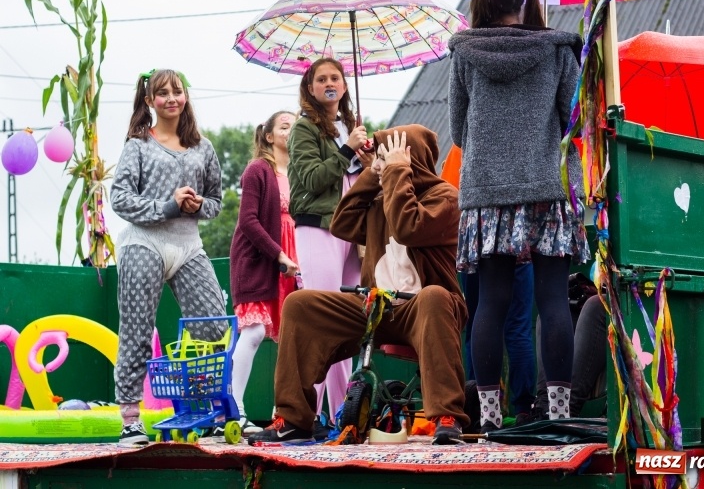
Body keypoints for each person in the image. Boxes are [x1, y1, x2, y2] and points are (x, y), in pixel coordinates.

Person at [247, 126, 470, 446]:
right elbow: (342, 223)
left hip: (421, 310)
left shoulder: (447, 198)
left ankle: (446, 417)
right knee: (299, 303)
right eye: (381, 155)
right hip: (376, 306)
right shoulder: (383, 198)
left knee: (435, 295)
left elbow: (409, 227)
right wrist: (371, 175)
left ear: (413, 158)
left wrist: (396, 173)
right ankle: (293, 418)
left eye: (390, 153)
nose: (383, 160)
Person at [448, 0, 590, 432]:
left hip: (487, 193)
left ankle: (490, 420)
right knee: (551, 300)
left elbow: (456, 131)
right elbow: (576, 119)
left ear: (481, 4)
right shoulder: (555, 49)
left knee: (491, 302)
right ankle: (559, 414)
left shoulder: (465, 55)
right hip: (548, 188)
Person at [110, 69, 228, 445]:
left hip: (188, 245)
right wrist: (167, 206)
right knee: (137, 330)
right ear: (150, 102)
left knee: (212, 327)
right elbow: (120, 199)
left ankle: (205, 407)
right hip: (144, 242)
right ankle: (130, 417)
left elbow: (216, 203)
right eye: (162, 93)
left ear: (186, 96)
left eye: (177, 91)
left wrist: (195, 205)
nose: (171, 98)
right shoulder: (138, 145)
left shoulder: (203, 147)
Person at [287, 58, 373, 428]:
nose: (329, 83)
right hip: (318, 227)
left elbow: (359, 177)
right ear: (310, 88)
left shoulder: (351, 126)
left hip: (350, 230)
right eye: (321, 79)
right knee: (322, 319)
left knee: (348, 321)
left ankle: (343, 413)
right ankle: (307, 412)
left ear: (344, 84)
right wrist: (345, 151)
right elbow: (310, 179)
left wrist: (368, 158)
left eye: (335, 77)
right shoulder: (304, 129)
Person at [442, 146, 536, 423]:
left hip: (478, 239)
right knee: (518, 329)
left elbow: (450, 196)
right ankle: (524, 410)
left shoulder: (463, 145)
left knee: (478, 324)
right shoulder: (527, 132)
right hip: (519, 239)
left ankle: (481, 408)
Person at [224, 111, 300, 438]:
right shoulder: (258, 170)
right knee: (253, 332)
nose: (291, 130)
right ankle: (234, 410)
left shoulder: (300, 172)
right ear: (269, 136)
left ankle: (283, 412)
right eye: (285, 126)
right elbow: (249, 222)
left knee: (293, 338)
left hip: (295, 260)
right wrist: (279, 255)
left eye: (296, 126)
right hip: (259, 259)